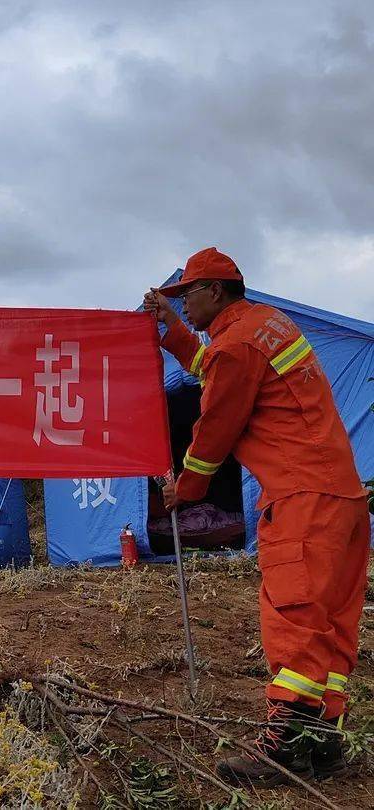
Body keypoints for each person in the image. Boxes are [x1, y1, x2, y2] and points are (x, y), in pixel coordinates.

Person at [144, 248, 369, 785]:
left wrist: (187, 488)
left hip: (301, 501)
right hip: (341, 498)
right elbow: (214, 367)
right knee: (331, 624)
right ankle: (324, 746)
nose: (185, 305)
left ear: (215, 291)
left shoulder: (238, 344)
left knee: (292, 618)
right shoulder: (264, 327)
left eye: (187, 296)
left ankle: (285, 749)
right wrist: (174, 330)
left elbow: (216, 423)